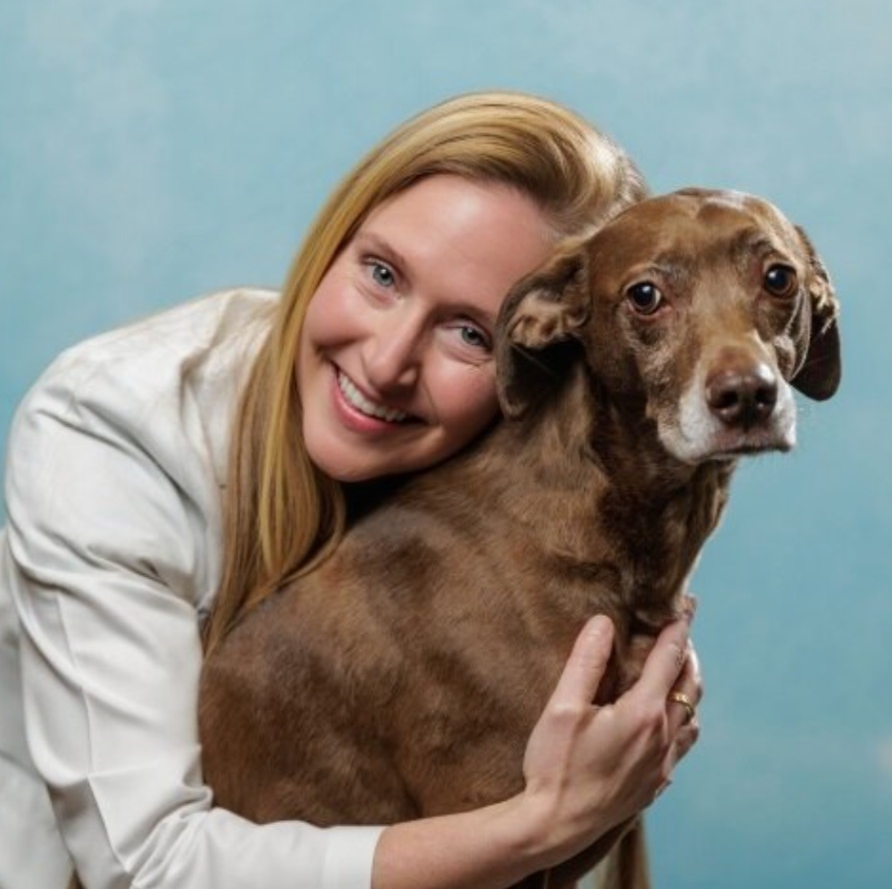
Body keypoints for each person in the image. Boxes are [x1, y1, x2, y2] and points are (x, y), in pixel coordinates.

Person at [0, 90, 702, 889]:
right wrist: (540, 823)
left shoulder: (519, 478)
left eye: (469, 332)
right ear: (334, 238)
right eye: (381, 274)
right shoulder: (108, 425)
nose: (385, 360)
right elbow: (148, 865)